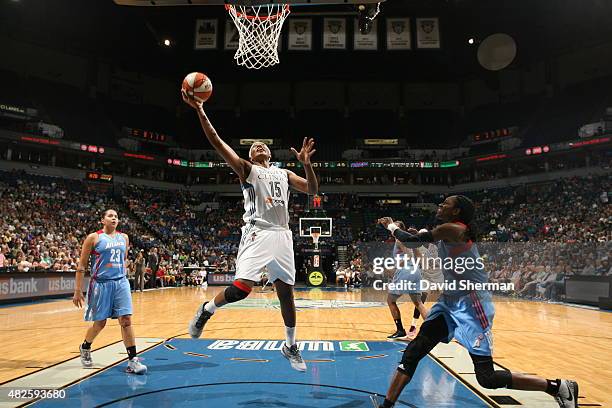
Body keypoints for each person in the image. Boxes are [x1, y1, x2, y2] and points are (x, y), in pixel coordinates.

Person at [376, 195, 577, 408]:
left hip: (472, 304)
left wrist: (390, 225)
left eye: (446, 204)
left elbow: (412, 241)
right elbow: (424, 240)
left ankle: (558, 387)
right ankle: (386, 406)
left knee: (486, 377)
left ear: (456, 212)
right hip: (449, 301)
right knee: (413, 352)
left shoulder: (453, 229)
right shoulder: (448, 230)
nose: (441, 205)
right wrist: (418, 235)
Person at [182, 89, 318, 372]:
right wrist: (200, 110)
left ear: (269, 152)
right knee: (242, 289)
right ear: (249, 155)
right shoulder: (247, 170)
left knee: (286, 294)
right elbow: (217, 141)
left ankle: (290, 345)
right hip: (257, 233)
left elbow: (313, 190)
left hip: (282, 234)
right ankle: (207, 310)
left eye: (262, 145)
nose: (258, 146)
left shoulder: (284, 173)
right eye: (253, 146)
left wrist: (307, 165)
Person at [72, 209, 147, 374]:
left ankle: (133, 360)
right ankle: (85, 346)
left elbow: (123, 259)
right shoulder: (94, 238)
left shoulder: (124, 238)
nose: (114, 218)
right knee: (100, 323)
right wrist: (78, 290)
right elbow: (82, 266)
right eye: (110, 216)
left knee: (126, 320)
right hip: (101, 284)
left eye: (116, 216)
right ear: (102, 220)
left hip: (120, 282)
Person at [385, 221, 428, 341]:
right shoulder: (411, 241)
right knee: (418, 303)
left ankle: (400, 331)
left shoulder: (399, 240)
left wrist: (399, 265)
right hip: (416, 272)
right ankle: (433, 330)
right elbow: (419, 257)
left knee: (390, 300)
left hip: (406, 271)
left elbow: (409, 255)